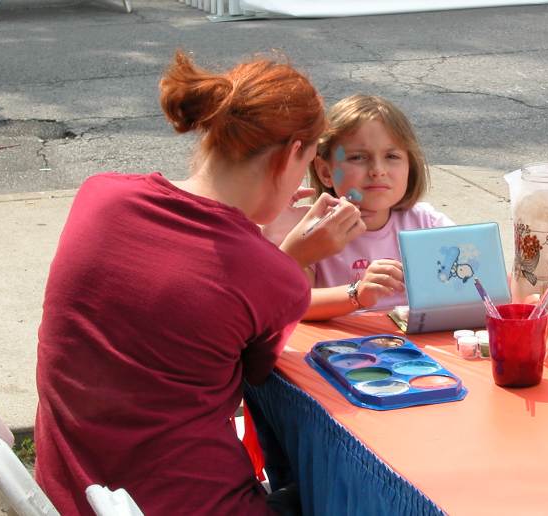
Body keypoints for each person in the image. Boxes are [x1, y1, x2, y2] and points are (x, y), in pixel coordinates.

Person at [34, 50, 361, 515]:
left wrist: (259, 244)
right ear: (292, 155)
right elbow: (257, 371)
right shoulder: (268, 276)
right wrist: (287, 259)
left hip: (71, 493)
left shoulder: (101, 195)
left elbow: (192, 279)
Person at [302, 95, 455, 320]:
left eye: (392, 156)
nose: (378, 170)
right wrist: (357, 294)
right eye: (358, 157)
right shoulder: (313, 231)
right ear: (325, 172)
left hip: (419, 350)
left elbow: (481, 280)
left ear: (410, 166)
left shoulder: (427, 224)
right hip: (344, 350)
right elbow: (294, 303)